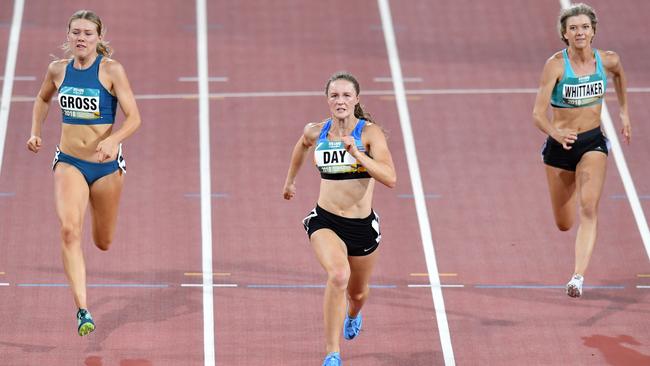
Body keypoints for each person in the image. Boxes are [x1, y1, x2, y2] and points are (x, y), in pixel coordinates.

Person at [26, 10, 141, 335]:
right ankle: (83, 311)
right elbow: (41, 98)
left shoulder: (111, 71)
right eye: (76, 32)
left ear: (99, 38)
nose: (81, 38)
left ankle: (93, 205)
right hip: (70, 162)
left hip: (106, 167)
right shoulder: (57, 70)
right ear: (68, 37)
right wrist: (36, 131)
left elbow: (134, 118)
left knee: (102, 241)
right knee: (68, 231)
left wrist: (114, 140)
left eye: (88, 33)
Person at [283, 72, 396, 366]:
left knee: (357, 294)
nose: (340, 101)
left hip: (361, 226)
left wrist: (357, 154)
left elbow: (390, 178)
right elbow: (301, 145)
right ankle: (332, 353)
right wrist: (290, 181)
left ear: (356, 99)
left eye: (346, 95)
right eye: (334, 96)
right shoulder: (317, 131)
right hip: (326, 220)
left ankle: (353, 313)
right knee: (338, 275)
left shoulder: (370, 134)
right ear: (327, 100)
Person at [532, 3, 631, 298]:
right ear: (564, 33)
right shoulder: (556, 65)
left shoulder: (608, 60)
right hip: (560, 148)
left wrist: (624, 113)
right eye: (573, 28)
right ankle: (571, 179)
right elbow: (537, 115)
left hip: (592, 143)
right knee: (564, 224)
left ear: (594, 31)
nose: (579, 32)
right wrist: (555, 133)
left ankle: (577, 277)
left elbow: (619, 76)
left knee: (589, 207)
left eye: (585, 27)